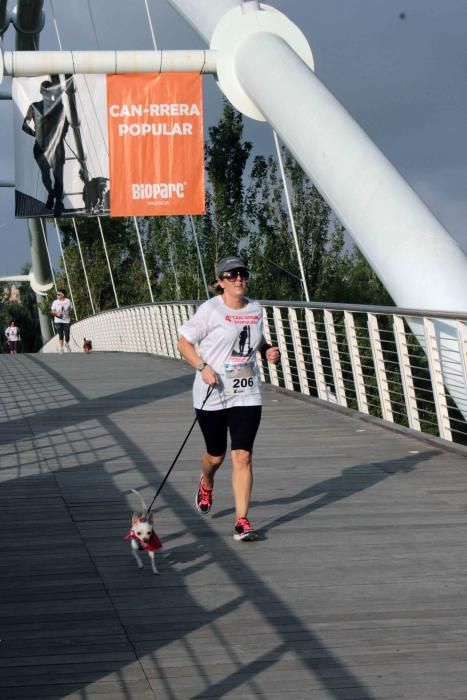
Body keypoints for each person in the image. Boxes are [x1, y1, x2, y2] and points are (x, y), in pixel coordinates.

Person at [177, 255, 281, 542]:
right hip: (212, 392)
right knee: (216, 454)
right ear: (220, 282)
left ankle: (242, 520)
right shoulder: (210, 310)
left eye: (242, 274)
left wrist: (268, 350)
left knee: (243, 455)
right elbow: (184, 343)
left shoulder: (256, 309)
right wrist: (202, 367)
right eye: (232, 275)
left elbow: (254, 338)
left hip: (246, 392)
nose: (239, 279)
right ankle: (207, 481)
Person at [22, 79, 69, 216]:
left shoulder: (57, 108)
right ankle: (52, 195)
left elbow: (65, 126)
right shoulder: (34, 107)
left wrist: (38, 135)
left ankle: (58, 201)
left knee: (56, 177)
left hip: (52, 148)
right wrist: (37, 134)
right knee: (47, 177)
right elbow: (24, 125)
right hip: (43, 149)